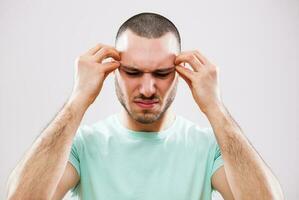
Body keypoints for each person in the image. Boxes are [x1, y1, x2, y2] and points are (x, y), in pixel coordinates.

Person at [6, 12, 284, 200]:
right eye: (133, 72)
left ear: (180, 72)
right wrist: (77, 100)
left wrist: (215, 107)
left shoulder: (209, 147)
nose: (148, 88)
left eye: (162, 74)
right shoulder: (81, 145)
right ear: (113, 70)